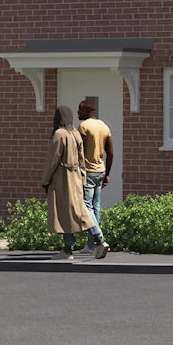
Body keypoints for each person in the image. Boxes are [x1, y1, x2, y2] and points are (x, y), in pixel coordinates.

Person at [40, 105, 93, 259]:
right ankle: (95, 240)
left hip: (62, 178)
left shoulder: (59, 134)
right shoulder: (75, 133)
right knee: (78, 211)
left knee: (66, 214)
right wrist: (83, 179)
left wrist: (45, 180)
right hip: (76, 177)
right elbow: (82, 160)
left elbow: (52, 160)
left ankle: (72, 248)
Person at [77, 100, 113, 259]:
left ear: (86, 110)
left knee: (86, 206)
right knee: (95, 206)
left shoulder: (83, 127)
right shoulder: (104, 126)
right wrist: (107, 174)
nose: (78, 114)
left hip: (88, 172)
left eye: (80, 110)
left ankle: (99, 239)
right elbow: (110, 153)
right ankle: (91, 245)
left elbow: (78, 152)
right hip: (100, 170)